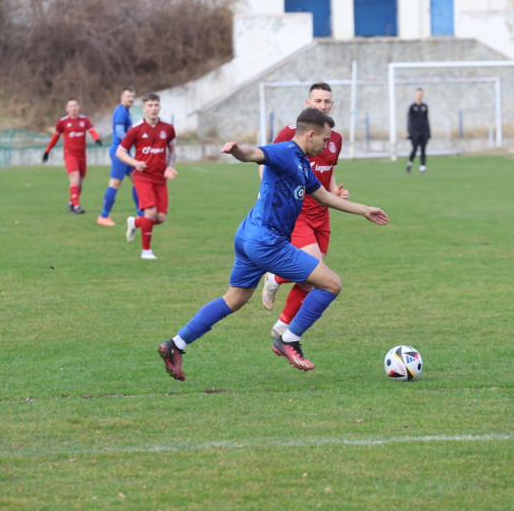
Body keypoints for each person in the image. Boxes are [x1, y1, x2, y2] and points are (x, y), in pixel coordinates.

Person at [157, 108, 388, 381]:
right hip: (267, 242)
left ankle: (175, 345)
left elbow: (324, 197)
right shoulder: (285, 152)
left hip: (248, 236)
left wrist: (364, 210)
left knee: (234, 299)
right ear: (311, 134)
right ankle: (288, 340)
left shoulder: (303, 163)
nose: (327, 145)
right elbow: (256, 154)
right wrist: (237, 151)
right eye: (324, 140)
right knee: (331, 283)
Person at [260, 82, 349, 341]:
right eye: (318, 101)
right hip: (297, 213)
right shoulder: (289, 134)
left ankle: (282, 324)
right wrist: (268, 194)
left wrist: (336, 192)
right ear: (307, 103)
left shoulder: (336, 138)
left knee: (311, 280)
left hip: (323, 214)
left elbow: (327, 173)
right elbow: (266, 164)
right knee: (317, 268)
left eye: (327, 101)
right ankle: (276, 277)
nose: (323, 105)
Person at [116, 93, 177, 260]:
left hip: (160, 178)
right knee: (150, 214)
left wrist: (169, 167)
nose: (153, 108)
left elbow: (172, 151)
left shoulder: (168, 128)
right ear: (143, 108)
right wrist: (135, 162)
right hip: (143, 177)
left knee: (160, 218)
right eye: (150, 105)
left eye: (156, 105)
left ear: (160, 107)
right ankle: (146, 251)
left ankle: (135, 223)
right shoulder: (136, 129)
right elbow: (120, 152)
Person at [42, 98, 102, 214]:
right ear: (67, 109)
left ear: (78, 107)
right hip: (70, 154)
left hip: (82, 155)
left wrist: (96, 139)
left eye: (75, 105)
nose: (73, 108)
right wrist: (47, 151)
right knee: (75, 177)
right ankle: (76, 206)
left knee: (80, 183)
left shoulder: (84, 120)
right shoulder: (62, 122)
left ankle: (71, 202)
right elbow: (55, 138)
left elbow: (92, 130)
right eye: (71, 106)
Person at [98, 87, 142, 227]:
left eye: (132, 96)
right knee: (115, 183)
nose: (131, 99)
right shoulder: (121, 111)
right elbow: (119, 132)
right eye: (128, 96)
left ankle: (140, 214)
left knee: (137, 180)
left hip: (125, 152)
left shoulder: (125, 111)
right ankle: (103, 216)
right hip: (119, 152)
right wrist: (133, 141)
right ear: (121, 97)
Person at [406, 88, 431, 173]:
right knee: (415, 149)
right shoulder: (412, 107)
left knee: (423, 149)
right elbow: (409, 120)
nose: (420, 95)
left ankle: (422, 167)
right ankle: (409, 164)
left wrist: (428, 132)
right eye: (418, 94)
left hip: (423, 132)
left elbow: (426, 119)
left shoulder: (424, 106)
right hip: (414, 132)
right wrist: (409, 132)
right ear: (415, 94)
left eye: (421, 94)